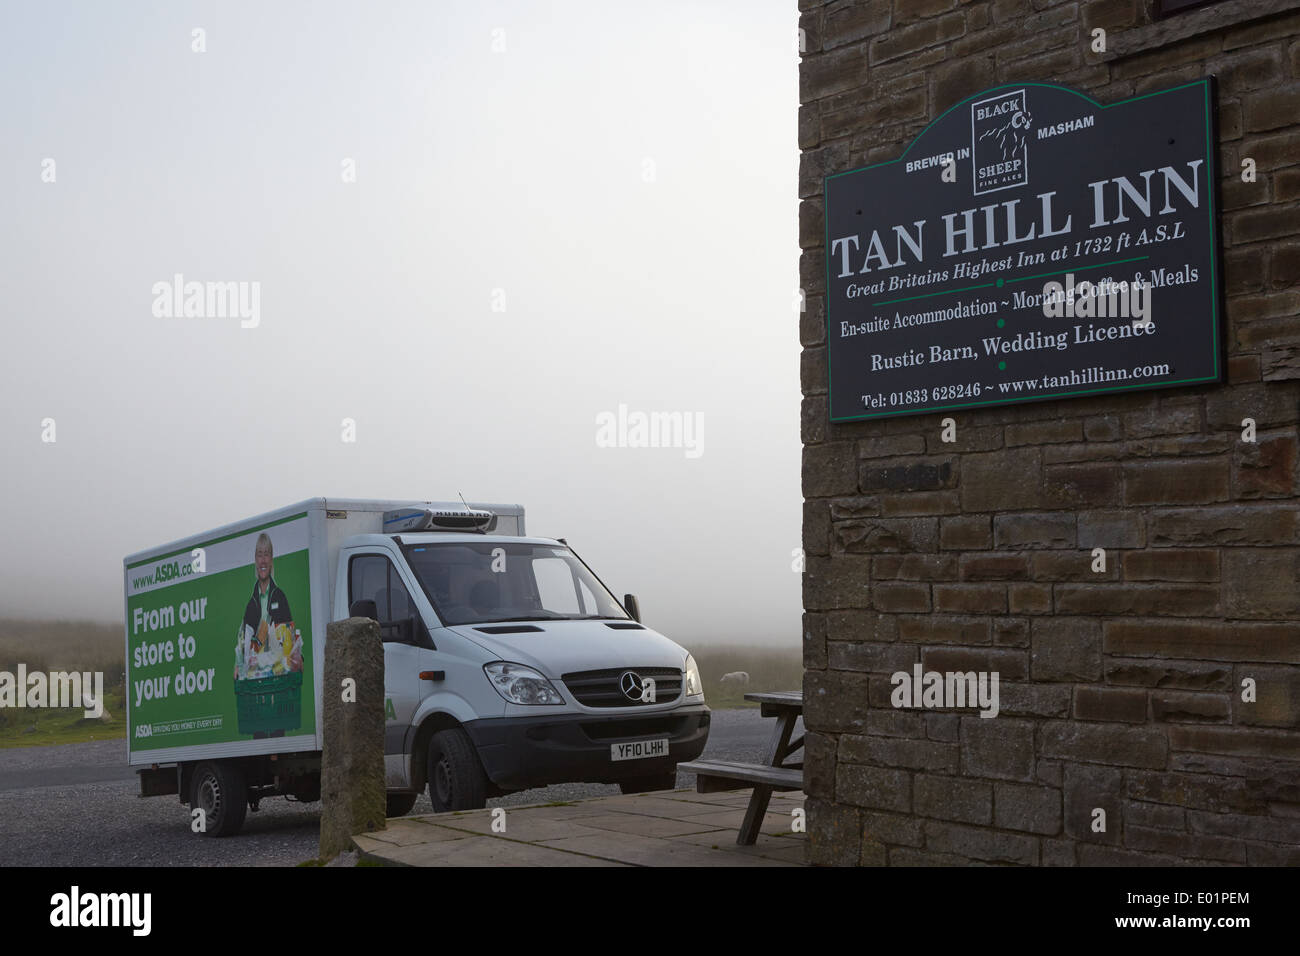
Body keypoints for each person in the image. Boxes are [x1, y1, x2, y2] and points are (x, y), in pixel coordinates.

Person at [234, 533, 302, 681]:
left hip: (278, 675)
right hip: (255, 676)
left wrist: (297, 657)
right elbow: (243, 640)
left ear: (271, 560)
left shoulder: (279, 596)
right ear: (255, 560)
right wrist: (238, 665)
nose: (263, 560)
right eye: (259, 555)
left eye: (266, 555)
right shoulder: (251, 603)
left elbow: (289, 636)